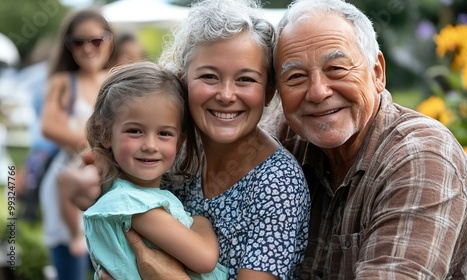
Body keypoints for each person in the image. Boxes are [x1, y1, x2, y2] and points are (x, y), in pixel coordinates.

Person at [65, 0, 310, 279]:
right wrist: (83, 180)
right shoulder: (170, 151)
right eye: (209, 76)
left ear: (268, 92)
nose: (227, 95)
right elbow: (96, 167)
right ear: (183, 82)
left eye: (245, 79)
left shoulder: (277, 182)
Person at [270, 0, 467, 279]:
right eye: (296, 77)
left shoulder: (420, 155)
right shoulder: (285, 141)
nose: (317, 92)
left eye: (337, 69)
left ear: (377, 73)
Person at [83, 61, 228, 280]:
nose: (150, 145)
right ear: (105, 134)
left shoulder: (127, 196)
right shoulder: (133, 205)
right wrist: (201, 222)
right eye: (134, 130)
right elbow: (205, 258)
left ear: (179, 142)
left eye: (164, 134)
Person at [39, 7, 115, 280]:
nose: (88, 49)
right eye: (78, 42)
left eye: (96, 40)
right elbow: (49, 126)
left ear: (109, 40)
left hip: (108, 182)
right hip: (69, 177)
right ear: (68, 46)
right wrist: (100, 147)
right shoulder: (63, 82)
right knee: (71, 265)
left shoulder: (116, 79)